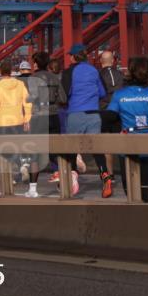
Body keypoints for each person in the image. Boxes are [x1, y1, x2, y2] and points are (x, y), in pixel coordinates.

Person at [104, 57, 148, 203]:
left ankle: (135, 221)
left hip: (128, 145)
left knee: (130, 190)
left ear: (130, 72)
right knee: (144, 187)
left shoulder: (120, 94)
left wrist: (122, 124)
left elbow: (108, 117)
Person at [0, 60, 35, 197]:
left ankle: (13, 174)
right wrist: (27, 118)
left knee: (6, 150)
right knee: (16, 146)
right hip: (17, 121)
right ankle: (23, 165)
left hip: (3, 122)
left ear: (0, 72)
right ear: (12, 71)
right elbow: (27, 101)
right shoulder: (20, 84)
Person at [61, 43, 105, 196]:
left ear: (73, 57)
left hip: (75, 113)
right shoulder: (94, 70)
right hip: (94, 114)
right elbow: (103, 92)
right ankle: (105, 176)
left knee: (71, 149)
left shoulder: (68, 72)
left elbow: (64, 94)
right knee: (97, 149)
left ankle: (73, 177)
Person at [97, 50, 125, 182]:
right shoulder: (120, 74)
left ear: (101, 61)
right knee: (120, 142)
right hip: (119, 111)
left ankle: (110, 175)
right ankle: (126, 172)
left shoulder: (97, 75)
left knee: (106, 144)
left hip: (103, 111)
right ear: (113, 61)